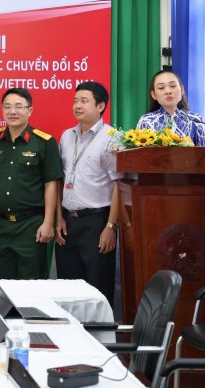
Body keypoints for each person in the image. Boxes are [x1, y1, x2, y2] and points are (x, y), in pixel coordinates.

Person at [55, 81, 122, 305]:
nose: (77, 106)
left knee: (97, 290)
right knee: (68, 290)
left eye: (84, 101)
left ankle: (99, 330)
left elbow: (119, 186)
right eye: (75, 101)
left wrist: (111, 227)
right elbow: (61, 179)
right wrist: (59, 218)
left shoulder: (112, 137)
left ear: (101, 106)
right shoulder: (67, 136)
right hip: (68, 223)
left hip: (97, 222)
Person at [0, 88, 63, 280]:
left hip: (31, 226)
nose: (12, 111)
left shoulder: (44, 142)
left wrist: (48, 222)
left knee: (31, 287)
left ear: (30, 110)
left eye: (19, 106)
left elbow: (51, 184)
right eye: (7, 107)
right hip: (0, 226)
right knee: (0, 285)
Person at [136, 69, 205, 145]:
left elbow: (204, 151)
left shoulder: (196, 121)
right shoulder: (146, 121)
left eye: (172, 86)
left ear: (182, 90)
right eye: (161, 88)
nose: (168, 91)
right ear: (154, 95)